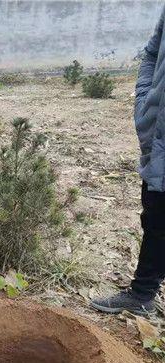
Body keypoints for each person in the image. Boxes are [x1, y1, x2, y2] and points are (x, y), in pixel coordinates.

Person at [90, 9, 165, 317]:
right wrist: (145, 101)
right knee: (156, 209)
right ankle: (143, 293)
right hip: (158, 130)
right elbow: (151, 53)